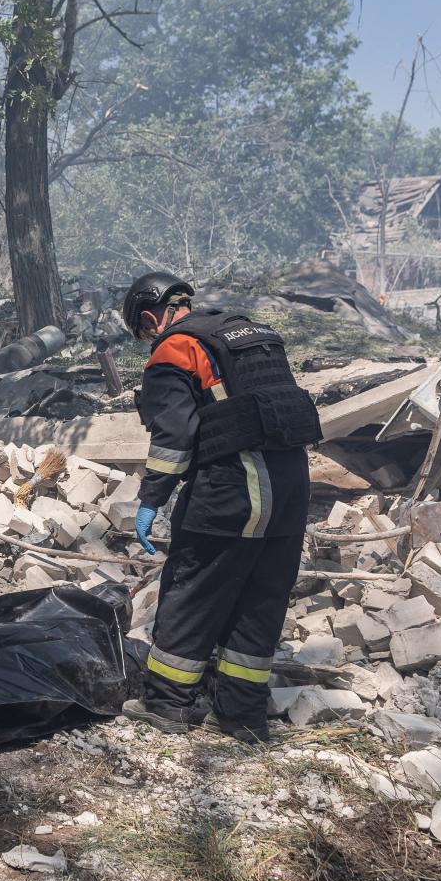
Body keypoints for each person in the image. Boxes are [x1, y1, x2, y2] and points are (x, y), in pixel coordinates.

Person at [117, 272, 321, 743]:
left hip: (235, 491)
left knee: (192, 591)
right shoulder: (252, 335)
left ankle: (166, 703)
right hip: (291, 492)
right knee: (260, 601)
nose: (148, 341)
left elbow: (173, 439)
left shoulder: (175, 348)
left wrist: (151, 499)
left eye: (143, 333)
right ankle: (242, 715)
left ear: (149, 319)